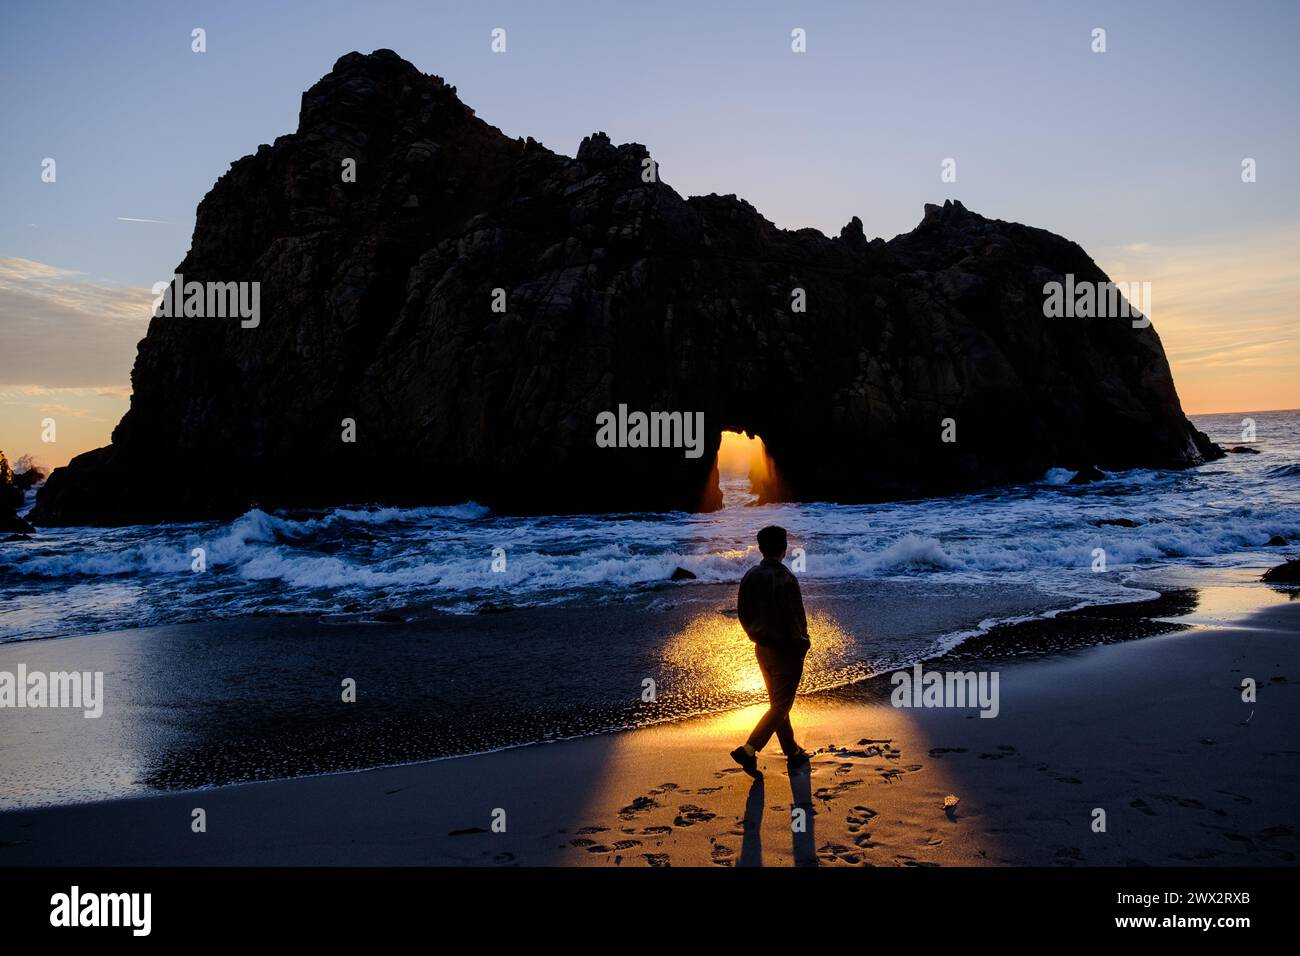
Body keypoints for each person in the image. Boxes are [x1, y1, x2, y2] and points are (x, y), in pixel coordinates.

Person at [730, 525, 813, 777]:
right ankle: (749, 748)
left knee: (777, 704)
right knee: (780, 706)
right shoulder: (785, 578)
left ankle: (792, 750)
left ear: (760, 548)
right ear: (784, 548)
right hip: (786, 650)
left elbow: (742, 614)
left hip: (761, 648)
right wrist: (802, 643)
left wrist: (754, 636)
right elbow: (794, 618)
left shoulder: (750, 575)